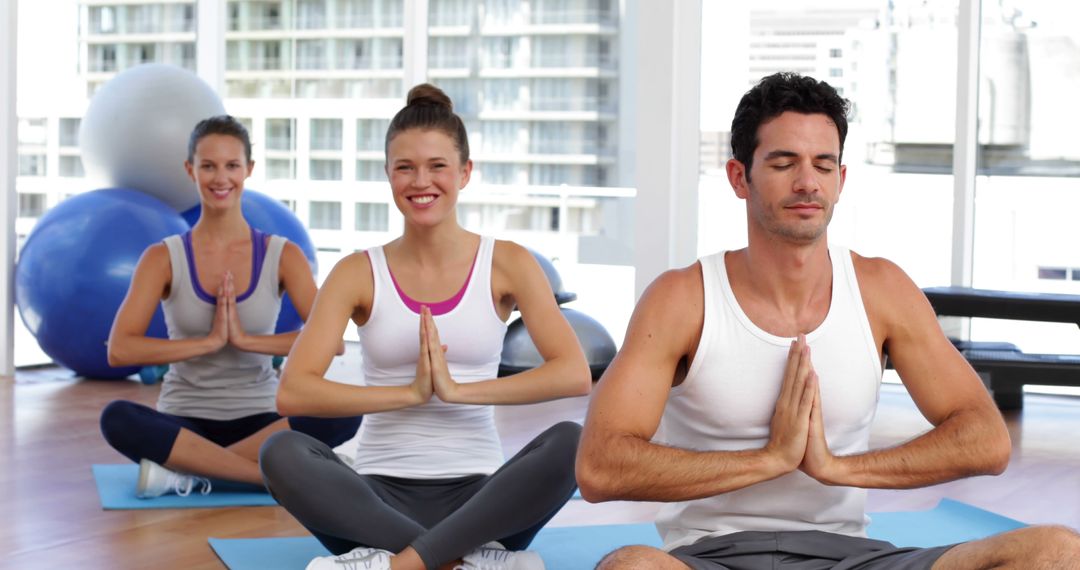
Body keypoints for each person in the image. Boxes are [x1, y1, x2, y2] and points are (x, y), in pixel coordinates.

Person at [575, 72, 1080, 569]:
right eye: (783, 163)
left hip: (849, 557)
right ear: (739, 178)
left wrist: (835, 468)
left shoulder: (881, 290)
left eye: (823, 164)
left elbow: (985, 440)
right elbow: (598, 466)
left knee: (1056, 550)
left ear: (841, 179)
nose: (806, 183)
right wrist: (769, 460)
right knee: (631, 565)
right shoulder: (682, 298)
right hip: (711, 557)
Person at [258, 83, 591, 570]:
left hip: (484, 502)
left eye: (437, 166)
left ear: (465, 172)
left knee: (572, 441)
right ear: (388, 175)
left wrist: (459, 391)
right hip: (374, 502)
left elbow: (573, 374)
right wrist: (409, 394)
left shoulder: (509, 263)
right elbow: (294, 393)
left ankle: (399, 564)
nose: (421, 181)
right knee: (280, 451)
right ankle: (470, 562)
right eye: (405, 167)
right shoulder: (357, 271)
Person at [101, 115, 362, 499]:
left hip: (261, 420)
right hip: (184, 418)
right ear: (190, 170)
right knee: (117, 418)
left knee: (345, 411)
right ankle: (269, 478)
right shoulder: (163, 258)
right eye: (208, 166)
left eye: (231, 165)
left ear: (249, 169)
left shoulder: (282, 255)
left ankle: (185, 474)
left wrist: (245, 340)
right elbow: (120, 349)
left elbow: (333, 341)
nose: (220, 178)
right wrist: (206, 343)